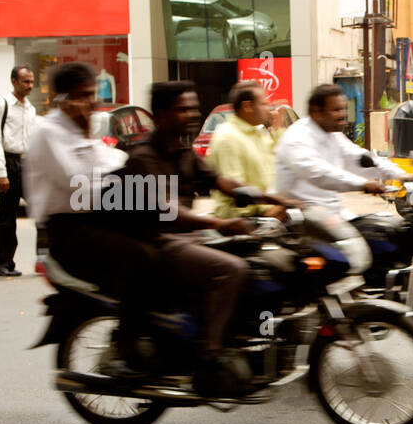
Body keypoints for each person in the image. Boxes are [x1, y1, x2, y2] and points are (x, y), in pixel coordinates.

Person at [121, 80, 288, 393]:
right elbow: (166, 211)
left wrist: (275, 200)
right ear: (161, 114)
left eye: (194, 108)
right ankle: (210, 358)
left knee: (255, 259)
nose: (192, 115)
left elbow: (220, 181)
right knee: (231, 269)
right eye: (183, 109)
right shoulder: (144, 157)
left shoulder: (182, 151)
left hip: (190, 236)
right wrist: (221, 224)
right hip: (162, 240)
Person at [24, 62, 154, 372]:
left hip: (96, 219)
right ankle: (125, 349)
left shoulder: (83, 126)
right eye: (82, 96)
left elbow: (112, 160)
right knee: (142, 258)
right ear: (61, 98)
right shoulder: (49, 132)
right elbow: (79, 186)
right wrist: (127, 187)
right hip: (68, 231)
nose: (90, 102)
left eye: (92, 95)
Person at [273, 83, 405, 256]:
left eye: (344, 109)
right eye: (336, 110)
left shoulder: (333, 135)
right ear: (317, 112)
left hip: (333, 216)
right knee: (360, 252)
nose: (343, 115)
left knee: (389, 232)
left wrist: (400, 174)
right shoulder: (297, 138)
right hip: (303, 223)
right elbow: (320, 174)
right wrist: (363, 185)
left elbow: (358, 158)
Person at [207, 80, 282, 220]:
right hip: (244, 219)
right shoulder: (228, 137)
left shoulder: (256, 133)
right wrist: (268, 208)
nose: (269, 108)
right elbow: (237, 192)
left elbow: (280, 159)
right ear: (247, 106)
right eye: (263, 104)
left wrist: (277, 128)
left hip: (267, 212)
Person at [0, 65, 37, 276]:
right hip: (9, 164)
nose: (30, 86)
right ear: (14, 82)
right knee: (7, 217)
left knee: (43, 210)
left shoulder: (30, 108)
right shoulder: (1, 105)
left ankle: (45, 259)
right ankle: (4, 263)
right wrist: (1, 172)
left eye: (32, 81)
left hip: (27, 165)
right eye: (26, 81)